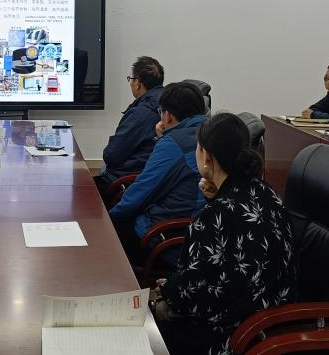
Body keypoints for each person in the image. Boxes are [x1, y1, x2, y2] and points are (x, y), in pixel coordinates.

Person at [151, 113, 296, 355]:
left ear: (206, 157)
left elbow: (195, 294)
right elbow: (224, 264)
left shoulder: (214, 215)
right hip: (270, 321)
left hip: (232, 335)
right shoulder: (267, 192)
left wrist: (165, 293)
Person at [108, 82, 208, 264]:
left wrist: (108, 218)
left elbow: (142, 191)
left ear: (167, 115)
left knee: (105, 235)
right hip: (200, 237)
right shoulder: (211, 133)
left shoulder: (174, 144)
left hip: (167, 240)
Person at [94, 56, 164, 197]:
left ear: (137, 83)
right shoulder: (166, 103)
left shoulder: (141, 113)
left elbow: (111, 155)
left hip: (128, 181)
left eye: (130, 79)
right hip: (150, 179)